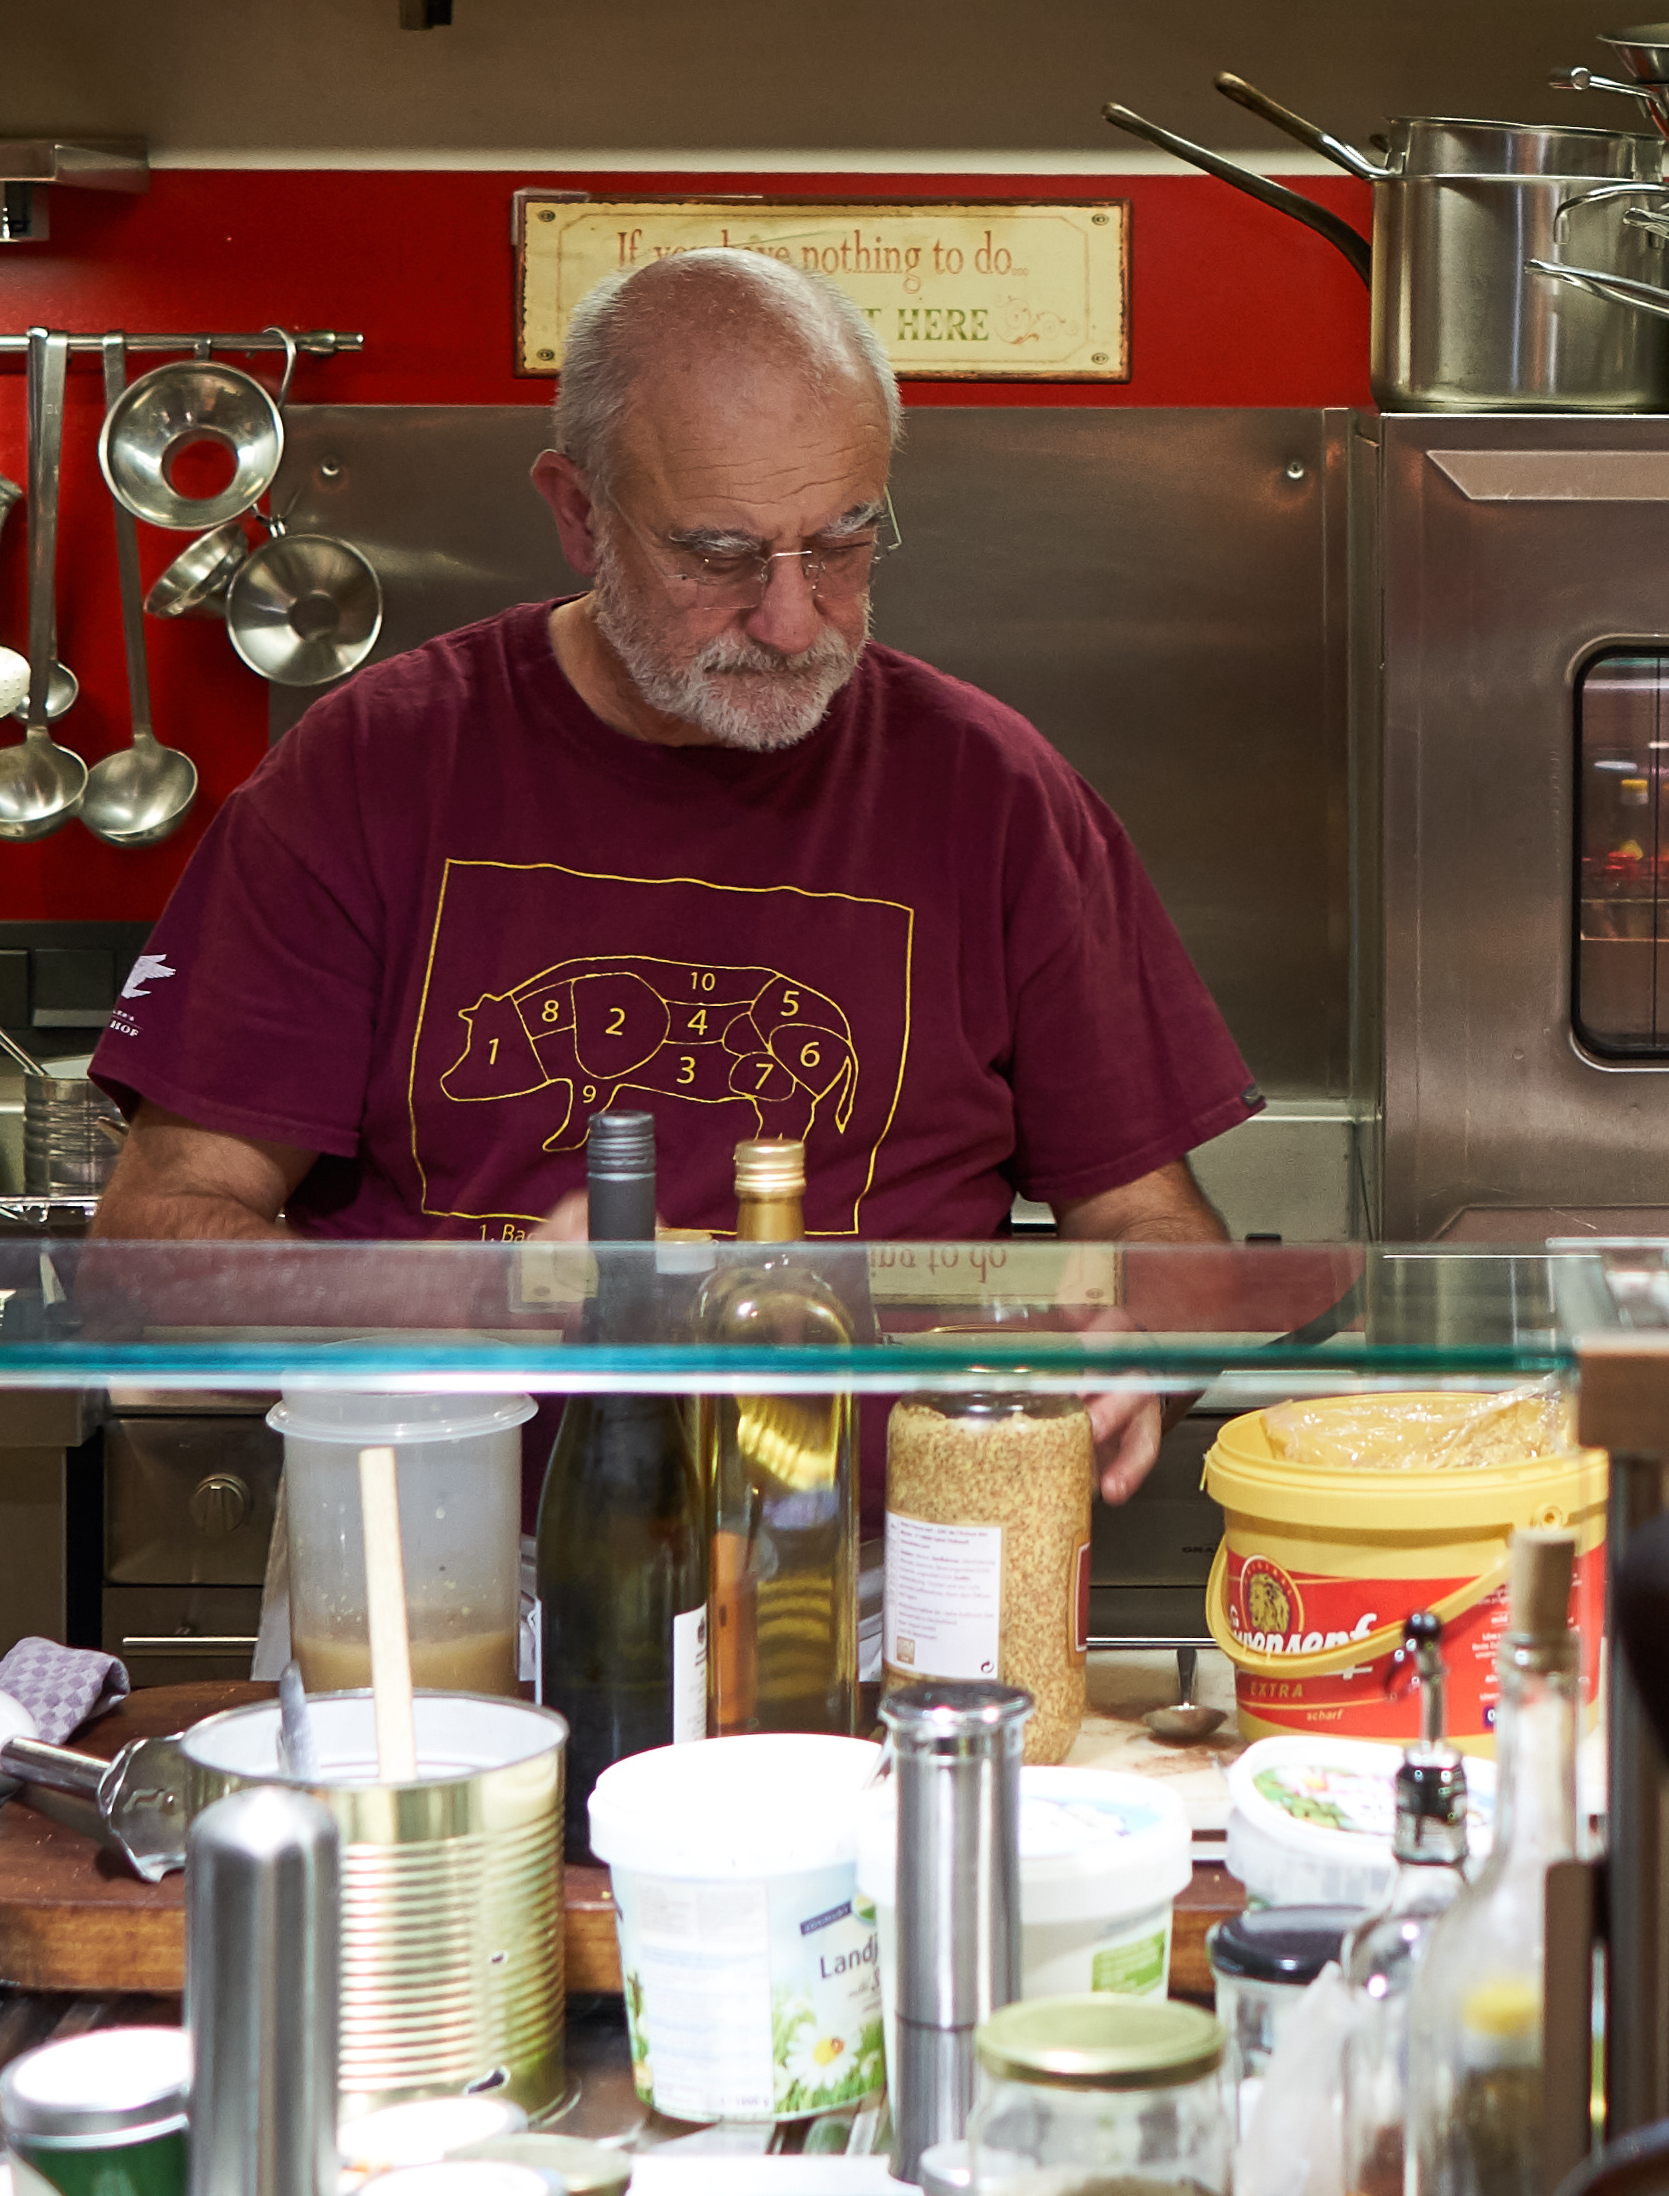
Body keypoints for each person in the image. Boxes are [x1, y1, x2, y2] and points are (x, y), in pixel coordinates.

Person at [94, 248, 1257, 1493]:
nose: (795, 618)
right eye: (719, 555)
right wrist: (470, 1298)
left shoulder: (992, 791)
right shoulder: (374, 769)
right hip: (448, 1560)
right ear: (578, 509)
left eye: (843, 543)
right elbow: (152, 1246)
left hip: (890, 1586)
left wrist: (1142, 1339)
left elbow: (1154, 1231)